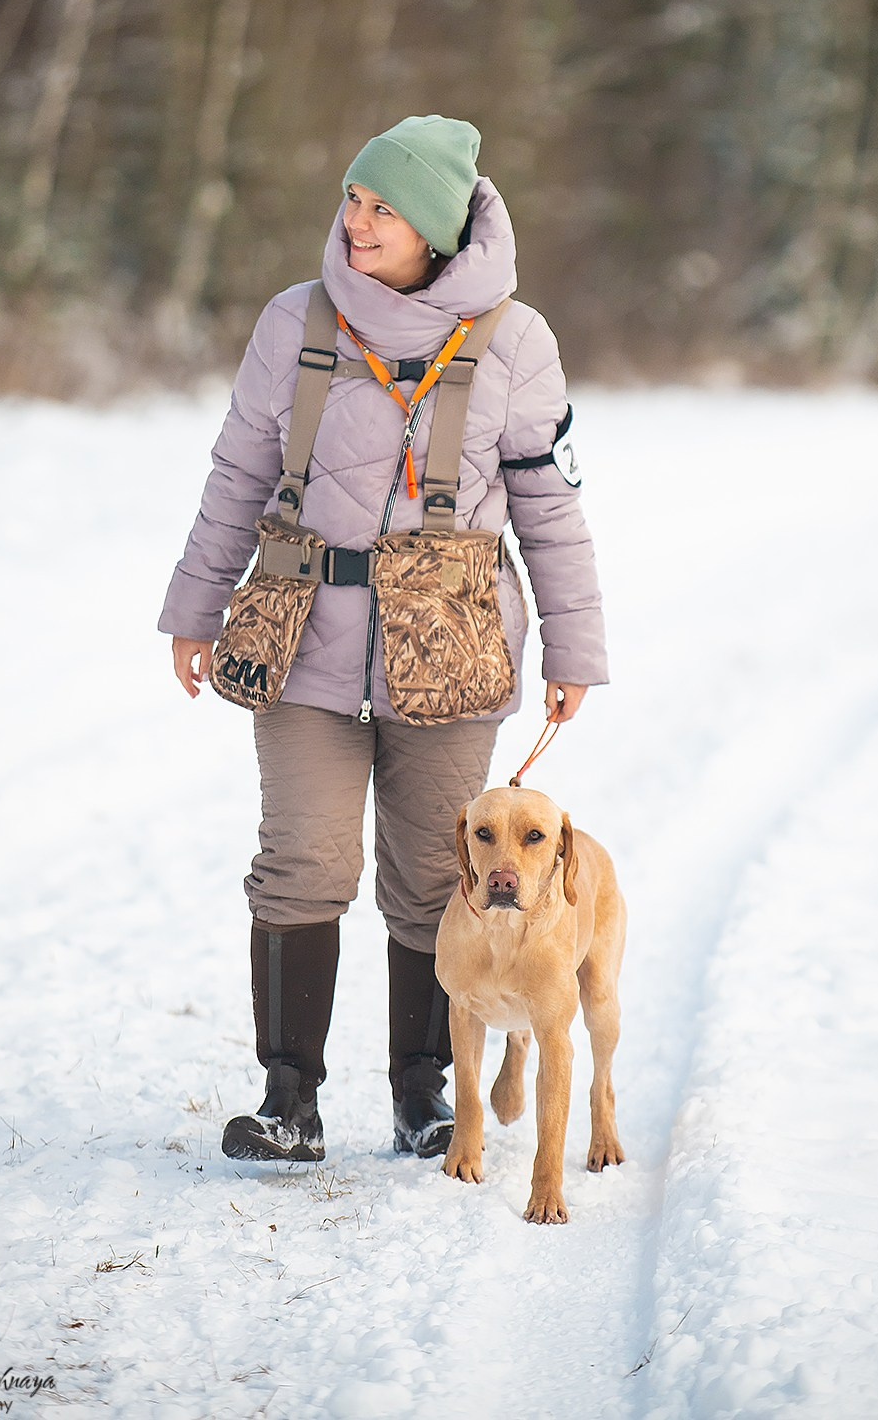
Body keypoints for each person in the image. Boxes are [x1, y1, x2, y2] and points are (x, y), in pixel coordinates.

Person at [159, 114, 608, 1165]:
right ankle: (288, 1101)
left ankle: (422, 1097)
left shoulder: (514, 340)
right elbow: (235, 474)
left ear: (439, 228)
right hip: (300, 644)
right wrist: (193, 607)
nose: (356, 222)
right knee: (301, 865)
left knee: (427, 876)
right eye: (352, 200)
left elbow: (549, 507)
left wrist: (575, 648)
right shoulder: (293, 321)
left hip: (452, 653)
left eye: (383, 208)